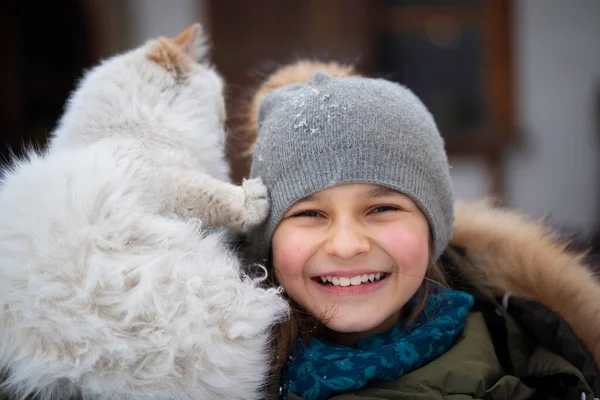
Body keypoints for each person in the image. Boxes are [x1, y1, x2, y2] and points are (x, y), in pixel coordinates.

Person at [245, 61, 600, 399]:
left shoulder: (537, 372)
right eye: (309, 213)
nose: (346, 244)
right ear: (267, 237)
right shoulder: (208, 373)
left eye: (382, 209)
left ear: (433, 227)